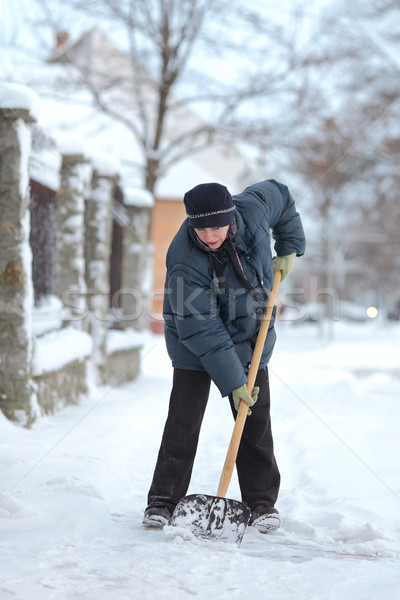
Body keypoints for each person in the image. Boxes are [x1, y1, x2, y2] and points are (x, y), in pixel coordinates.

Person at [143, 179, 306, 533]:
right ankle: (163, 500)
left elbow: (283, 196)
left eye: (216, 225)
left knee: (254, 418)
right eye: (200, 227)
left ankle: (261, 502)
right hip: (195, 343)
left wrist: (290, 246)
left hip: (251, 336)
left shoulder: (255, 208)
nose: (209, 234)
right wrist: (233, 382)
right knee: (183, 420)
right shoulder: (185, 261)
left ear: (231, 215)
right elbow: (202, 329)